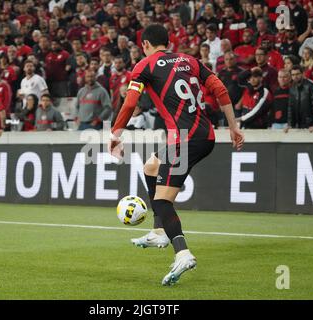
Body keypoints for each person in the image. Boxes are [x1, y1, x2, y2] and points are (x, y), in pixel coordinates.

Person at [108, 24, 244, 286]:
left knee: (162, 201)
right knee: (150, 167)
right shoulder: (190, 61)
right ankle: (159, 230)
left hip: (186, 139)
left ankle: (182, 253)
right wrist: (234, 127)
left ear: (145, 45)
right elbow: (221, 90)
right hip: (206, 135)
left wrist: (115, 134)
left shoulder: (145, 66)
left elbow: (130, 102)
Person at [286, 65, 313, 132]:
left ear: (302, 74)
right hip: (298, 124)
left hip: (310, 124)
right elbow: (290, 107)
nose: (295, 77)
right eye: (293, 75)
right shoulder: (292, 88)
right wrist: (290, 124)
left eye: (297, 74)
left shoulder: (311, 86)